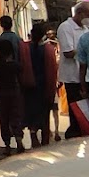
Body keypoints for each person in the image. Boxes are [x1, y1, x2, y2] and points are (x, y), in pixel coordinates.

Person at [57, 2, 89, 138]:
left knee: (88, 111)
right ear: (79, 13)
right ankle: (74, 136)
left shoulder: (86, 29)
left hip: (87, 76)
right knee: (77, 112)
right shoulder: (65, 28)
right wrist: (87, 50)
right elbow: (68, 52)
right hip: (73, 77)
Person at [20, 20, 58, 148]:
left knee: (31, 113)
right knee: (44, 115)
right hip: (44, 86)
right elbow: (52, 70)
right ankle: (45, 141)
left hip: (30, 87)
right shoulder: (48, 49)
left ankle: (33, 135)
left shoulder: (25, 49)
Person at [0, 33, 25, 155]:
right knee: (16, 116)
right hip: (14, 91)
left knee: (3, 118)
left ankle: (7, 145)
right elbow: (21, 73)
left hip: (1, 92)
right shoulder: (16, 65)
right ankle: (19, 141)